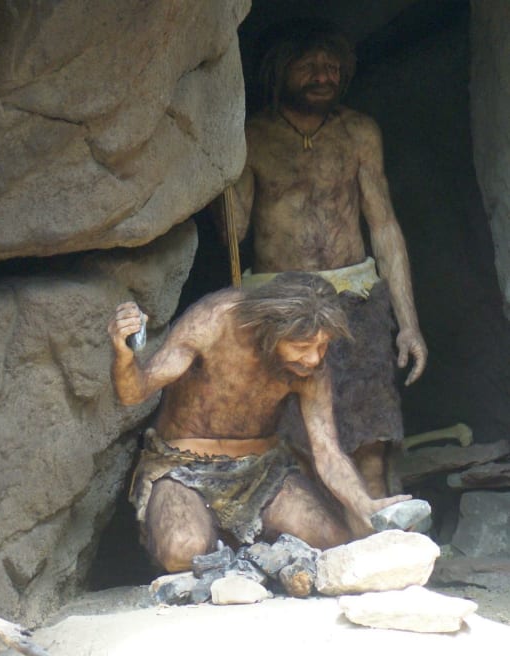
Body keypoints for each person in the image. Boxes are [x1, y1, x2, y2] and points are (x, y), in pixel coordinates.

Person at [225, 21, 427, 497]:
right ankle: (314, 537)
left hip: (355, 299)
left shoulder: (359, 132)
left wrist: (409, 325)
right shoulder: (252, 137)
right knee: (293, 444)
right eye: (310, 66)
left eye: (333, 67)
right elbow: (234, 231)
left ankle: (380, 533)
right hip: (281, 305)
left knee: (371, 436)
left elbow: (384, 227)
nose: (323, 77)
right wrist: (218, 166)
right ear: (280, 70)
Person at [108, 273, 409, 573]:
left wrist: (364, 504)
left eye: (323, 346)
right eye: (303, 346)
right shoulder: (215, 321)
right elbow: (134, 392)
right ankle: (229, 554)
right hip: (181, 467)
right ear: (272, 330)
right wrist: (123, 355)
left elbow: (328, 452)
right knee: (183, 551)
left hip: (263, 472)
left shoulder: (310, 370)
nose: (314, 359)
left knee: (331, 540)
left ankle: (252, 559)